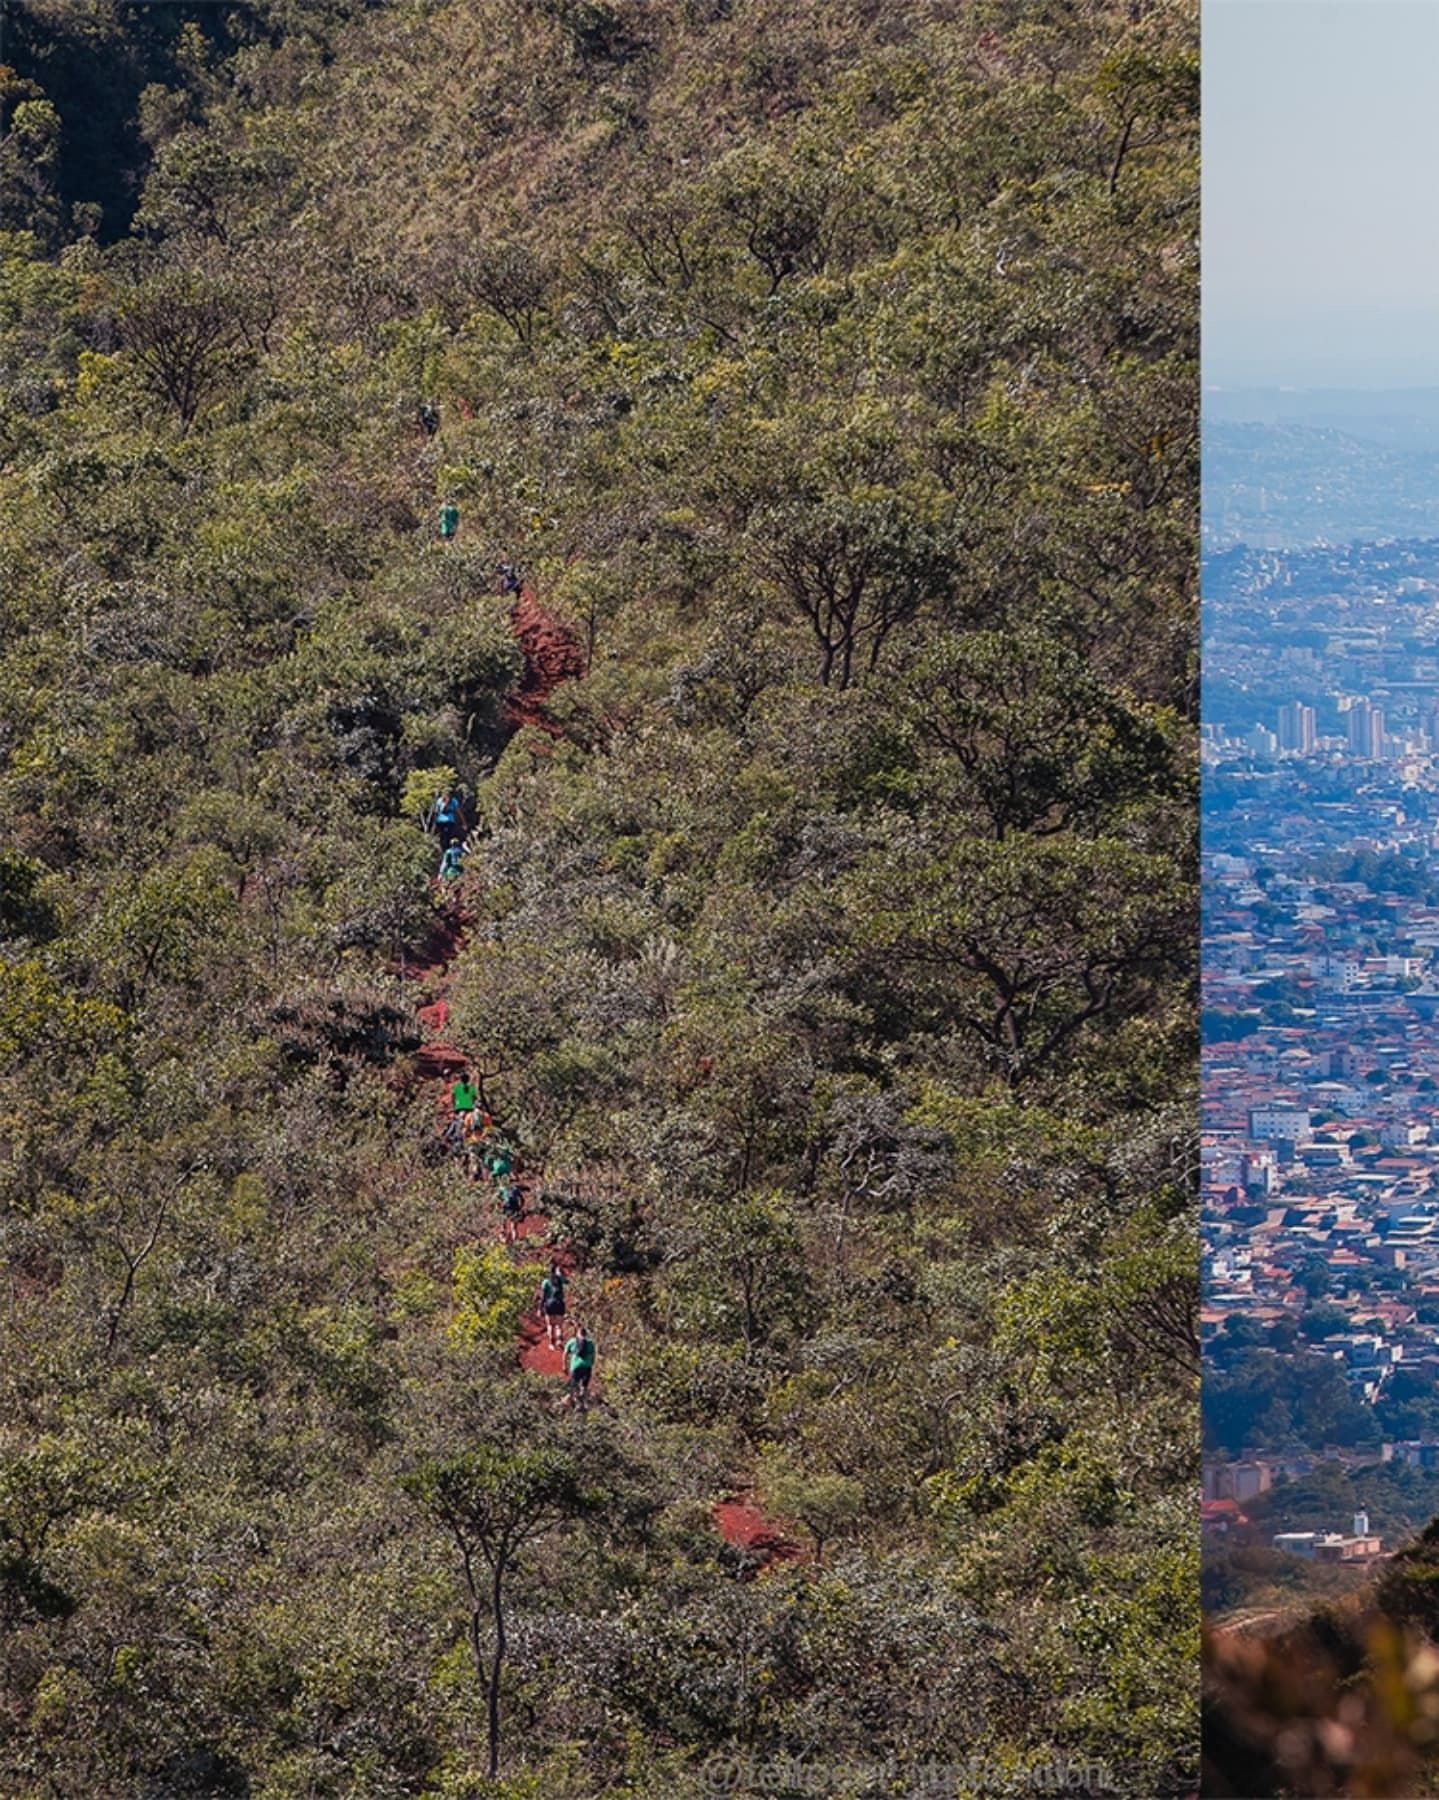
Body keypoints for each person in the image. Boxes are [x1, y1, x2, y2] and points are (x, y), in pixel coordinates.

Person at [537, 1262, 568, 1349]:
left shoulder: (546, 1282)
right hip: (559, 1303)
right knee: (559, 1325)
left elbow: (543, 1296)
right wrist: (560, 1274)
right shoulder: (560, 1279)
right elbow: (567, 1282)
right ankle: (559, 1340)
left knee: (550, 1325)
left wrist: (540, 1308)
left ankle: (552, 1344)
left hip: (549, 1304)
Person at [564, 1323, 595, 1411]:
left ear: (577, 1333)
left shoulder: (572, 1341)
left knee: (574, 1385)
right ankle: (583, 1404)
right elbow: (593, 1355)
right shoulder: (590, 1343)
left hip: (575, 1367)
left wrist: (564, 1365)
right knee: (584, 1386)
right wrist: (591, 1363)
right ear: (586, 1334)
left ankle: (572, 1403)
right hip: (587, 1367)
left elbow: (565, 1354)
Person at [498, 1178, 524, 1243]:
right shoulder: (515, 1189)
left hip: (505, 1207)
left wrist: (499, 1206)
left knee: (503, 1225)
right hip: (514, 1207)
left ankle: (503, 1240)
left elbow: (498, 1198)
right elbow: (522, 1199)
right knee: (513, 1227)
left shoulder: (502, 1188)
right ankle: (515, 1242)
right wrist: (520, 1207)